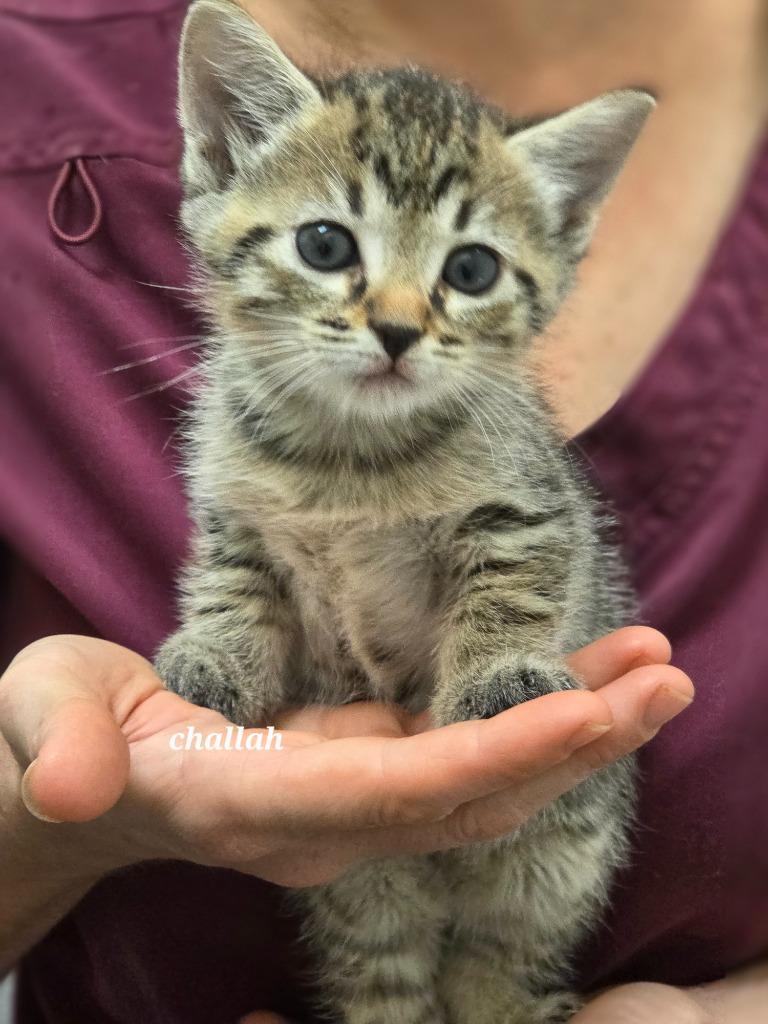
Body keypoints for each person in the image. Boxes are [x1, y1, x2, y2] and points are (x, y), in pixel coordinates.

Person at [0, 1, 766, 1021]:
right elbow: (244, 561)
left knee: (518, 930)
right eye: (330, 243)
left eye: (468, 269)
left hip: (546, 882)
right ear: (226, 154)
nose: (399, 319)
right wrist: (52, 821)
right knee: (370, 942)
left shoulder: (483, 434)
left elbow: (520, 539)